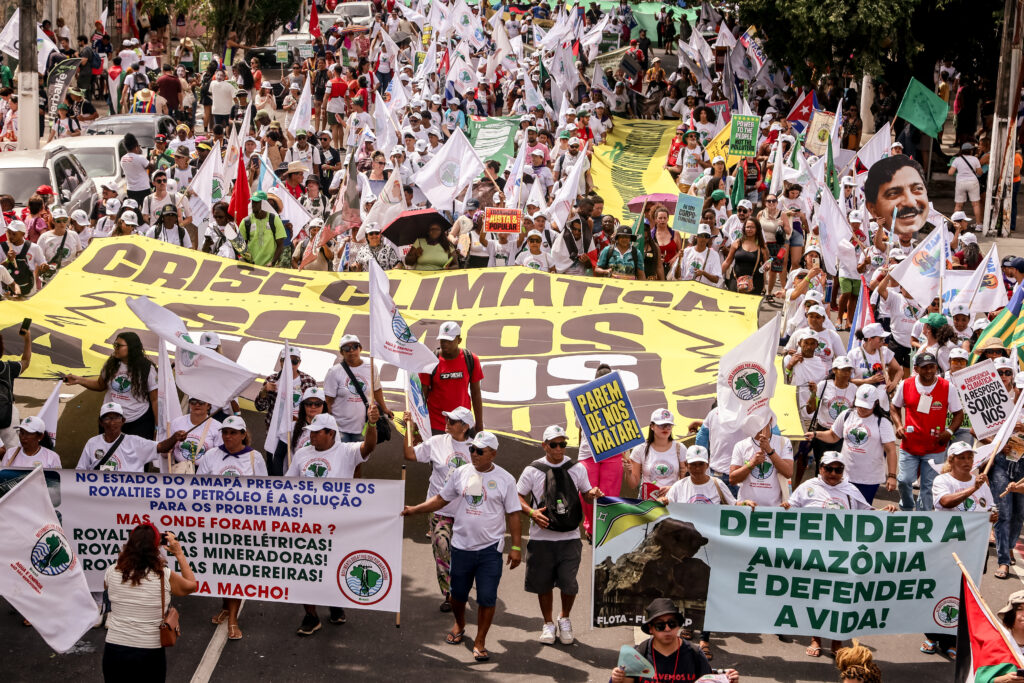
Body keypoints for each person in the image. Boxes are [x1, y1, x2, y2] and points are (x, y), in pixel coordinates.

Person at [401, 431, 522, 663]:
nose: (474, 454)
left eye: (480, 451)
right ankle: (459, 622)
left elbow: (514, 514)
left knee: (487, 597)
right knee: (457, 596)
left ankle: (480, 641)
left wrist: (516, 547)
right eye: (472, 450)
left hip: (490, 549)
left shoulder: (506, 479)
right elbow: (441, 499)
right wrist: (415, 509)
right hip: (461, 546)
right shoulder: (460, 473)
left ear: (493, 454)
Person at [785, 451, 898, 657]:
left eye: (838, 469)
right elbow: (789, 511)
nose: (833, 473)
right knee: (816, 597)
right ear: (820, 468)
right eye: (829, 468)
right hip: (814, 555)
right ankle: (815, 638)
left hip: (842, 556)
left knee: (839, 598)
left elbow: (868, 515)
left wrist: (886, 511)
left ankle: (837, 641)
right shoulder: (807, 488)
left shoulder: (850, 490)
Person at [285, 412, 378, 635]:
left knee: (334, 568)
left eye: (317, 433)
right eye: (310, 432)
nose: (312, 437)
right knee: (306, 569)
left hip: (338, 526)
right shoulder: (301, 454)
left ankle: (335, 603)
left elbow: (369, 446)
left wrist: (372, 424)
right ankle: (311, 615)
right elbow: (287, 486)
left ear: (331, 433)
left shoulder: (346, 452)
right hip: (306, 526)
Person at [516, 425, 601, 646]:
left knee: (569, 583)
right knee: (543, 584)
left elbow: (586, 493)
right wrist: (532, 512)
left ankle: (564, 618)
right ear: (544, 445)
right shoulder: (532, 470)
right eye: (553, 444)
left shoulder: (577, 468)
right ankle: (547, 623)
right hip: (541, 537)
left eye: (562, 444)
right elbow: (517, 496)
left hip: (570, 536)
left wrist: (593, 493)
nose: (559, 448)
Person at [920, 441, 998, 655]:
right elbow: (945, 502)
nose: (967, 462)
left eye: (970, 457)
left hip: (974, 549)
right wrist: (973, 488)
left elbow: (989, 509)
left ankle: (952, 639)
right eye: (962, 457)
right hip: (947, 548)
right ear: (951, 460)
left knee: (965, 594)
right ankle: (931, 636)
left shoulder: (982, 482)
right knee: (940, 590)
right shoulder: (942, 480)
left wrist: (993, 517)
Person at [402, 404, 474, 613]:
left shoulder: (475, 448)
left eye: (452, 421)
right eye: (447, 419)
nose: (447, 423)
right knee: (442, 548)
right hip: (439, 509)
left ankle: (462, 586)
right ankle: (450, 594)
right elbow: (409, 454)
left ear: (465, 426)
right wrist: (409, 427)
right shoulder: (436, 443)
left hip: (466, 512)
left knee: (462, 556)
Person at [103, 524, 197, 682]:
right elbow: (191, 585)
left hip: (114, 649)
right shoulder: (164, 575)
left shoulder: (112, 571)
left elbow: (108, 589)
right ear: (157, 547)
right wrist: (179, 554)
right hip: (149, 652)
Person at [890, 352, 963, 511]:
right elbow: (894, 407)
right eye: (925, 368)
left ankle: (922, 517)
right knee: (904, 480)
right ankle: (907, 508)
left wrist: (949, 432)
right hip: (909, 446)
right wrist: (899, 426)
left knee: (928, 487)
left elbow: (959, 414)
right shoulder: (906, 384)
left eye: (932, 367)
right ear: (916, 368)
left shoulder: (947, 387)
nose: (929, 371)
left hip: (935, 448)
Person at [805, 385, 899, 504]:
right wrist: (816, 434)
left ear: (875, 403)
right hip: (845, 476)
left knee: (861, 513)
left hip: (869, 479)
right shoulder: (847, 414)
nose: (862, 409)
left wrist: (892, 476)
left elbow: (891, 450)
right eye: (859, 405)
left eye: (866, 406)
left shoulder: (882, 421)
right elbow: (834, 436)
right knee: (843, 507)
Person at [609, 598, 739, 683]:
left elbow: (710, 680)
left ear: (678, 626)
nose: (667, 629)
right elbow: (625, 680)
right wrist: (616, 679)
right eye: (660, 625)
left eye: (672, 624)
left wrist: (729, 680)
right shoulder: (637, 654)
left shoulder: (695, 654)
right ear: (651, 629)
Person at [64, 332, 158, 438]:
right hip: (110, 421)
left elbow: (155, 400)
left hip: (138, 422)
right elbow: (100, 385)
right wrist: (79, 380)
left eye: (119, 346)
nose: (115, 348)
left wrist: (157, 427)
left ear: (132, 347)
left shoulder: (147, 368)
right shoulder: (111, 365)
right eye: (115, 345)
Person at [254, 347, 317, 475]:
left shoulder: (308, 381)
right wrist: (264, 391)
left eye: (294, 361)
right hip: (276, 432)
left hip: (300, 431)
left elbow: (316, 407)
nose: (290, 365)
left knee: (298, 465)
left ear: (299, 363)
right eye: (286, 361)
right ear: (281, 362)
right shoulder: (272, 380)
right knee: (274, 465)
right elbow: (260, 407)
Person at [419, 321, 484, 435]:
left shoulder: (471, 359)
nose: (444, 344)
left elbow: (476, 393)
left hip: (462, 424)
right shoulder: (430, 361)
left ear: (459, 340)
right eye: (442, 340)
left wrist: (479, 423)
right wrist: (418, 423)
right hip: (435, 424)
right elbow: (421, 396)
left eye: (449, 341)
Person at [76, 402, 184, 471]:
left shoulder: (134, 442)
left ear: (123, 421)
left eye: (116, 418)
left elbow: (161, 447)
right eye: (107, 418)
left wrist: (174, 438)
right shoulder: (92, 443)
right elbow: (80, 470)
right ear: (101, 422)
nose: (111, 422)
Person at [324, 334, 391, 442]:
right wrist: (328, 424)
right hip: (340, 428)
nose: (351, 351)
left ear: (360, 348)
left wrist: (384, 408)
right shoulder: (334, 372)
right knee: (343, 457)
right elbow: (328, 401)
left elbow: (377, 389)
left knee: (359, 456)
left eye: (355, 347)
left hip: (363, 426)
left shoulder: (371, 367)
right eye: (346, 348)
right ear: (342, 352)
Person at [729, 418, 794, 506]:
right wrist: (751, 464)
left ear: (770, 419)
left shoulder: (784, 442)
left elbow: (788, 472)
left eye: (763, 415)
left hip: (774, 509)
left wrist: (770, 451)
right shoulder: (741, 445)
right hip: (748, 508)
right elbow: (732, 479)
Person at [628, 409, 687, 500]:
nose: (665, 428)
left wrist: (672, 489)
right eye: (661, 425)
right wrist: (627, 471)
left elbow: (685, 481)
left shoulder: (680, 448)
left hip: (672, 501)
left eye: (669, 425)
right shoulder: (640, 449)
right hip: (648, 503)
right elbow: (633, 484)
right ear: (652, 426)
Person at [164, 396, 222, 473]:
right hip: (179, 470)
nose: (197, 404)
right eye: (193, 401)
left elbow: (219, 457)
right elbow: (164, 453)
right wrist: (171, 443)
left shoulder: (218, 427)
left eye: (201, 402)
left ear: (208, 406)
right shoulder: (177, 422)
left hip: (204, 472)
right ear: (189, 404)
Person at [0, 322, 30, 450]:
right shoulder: (7, 368)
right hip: (8, 416)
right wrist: (27, 339)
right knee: (12, 451)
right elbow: (26, 362)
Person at [948, 141, 984, 222]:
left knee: (958, 205)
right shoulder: (975, 159)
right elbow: (980, 172)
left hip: (960, 183)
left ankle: (955, 224)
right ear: (971, 150)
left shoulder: (957, 160)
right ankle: (979, 224)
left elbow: (950, 173)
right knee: (975, 204)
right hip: (973, 183)